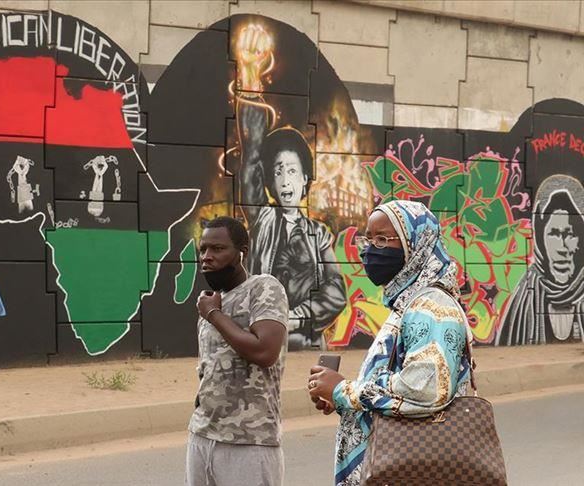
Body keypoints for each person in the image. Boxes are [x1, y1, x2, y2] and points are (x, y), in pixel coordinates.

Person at [306, 201, 472, 486]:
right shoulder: (409, 303)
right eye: (368, 238)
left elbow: (424, 389)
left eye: (383, 239)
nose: (370, 249)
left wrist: (345, 390)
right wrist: (340, 398)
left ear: (415, 244)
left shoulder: (431, 307)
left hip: (414, 469)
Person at [233, 23, 345, 347]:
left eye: (292, 171)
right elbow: (251, 159)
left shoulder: (318, 235)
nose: (285, 179)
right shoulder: (263, 219)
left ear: (305, 179)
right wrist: (250, 80)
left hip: (304, 342)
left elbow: (335, 291)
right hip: (261, 338)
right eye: (278, 171)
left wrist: (297, 316)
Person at [188, 216, 290, 486]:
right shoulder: (211, 304)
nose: (207, 257)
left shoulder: (263, 287)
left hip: (250, 441)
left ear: (242, 252)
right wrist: (212, 311)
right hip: (202, 435)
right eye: (203, 249)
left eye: (218, 249)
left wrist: (214, 314)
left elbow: (265, 352)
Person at [498, 175, 584, 345]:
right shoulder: (525, 295)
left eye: (570, 234)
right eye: (554, 234)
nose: (562, 247)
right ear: (539, 237)